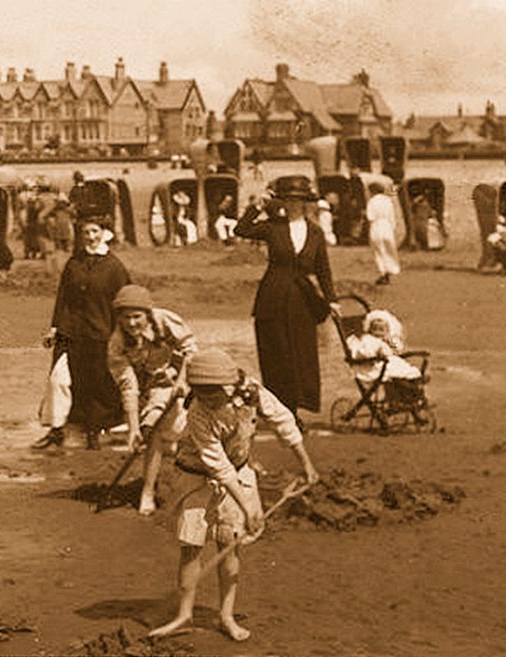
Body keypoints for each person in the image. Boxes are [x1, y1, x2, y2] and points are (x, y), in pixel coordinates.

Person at [148, 348, 319, 642]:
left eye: (213, 394)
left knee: (229, 544)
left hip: (240, 472)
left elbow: (283, 422)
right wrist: (248, 508)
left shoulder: (252, 392)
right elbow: (219, 466)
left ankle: (226, 615)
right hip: (195, 477)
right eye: (202, 393)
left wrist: (306, 464)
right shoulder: (197, 413)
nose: (209, 400)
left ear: (228, 384)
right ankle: (184, 615)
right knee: (191, 547)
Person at [234, 176, 339, 427]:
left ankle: (294, 411)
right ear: (282, 202)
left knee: (300, 356)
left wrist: (332, 299)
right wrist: (258, 206)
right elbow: (241, 229)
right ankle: (282, 411)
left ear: (306, 203)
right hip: (273, 298)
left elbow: (323, 269)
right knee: (276, 355)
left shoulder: (315, 231)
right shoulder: (273, 227)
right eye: (289, 200)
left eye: (298, 200)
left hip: (303, 301)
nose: (293, 205)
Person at [107, 284, 196, 515]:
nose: (132, 323)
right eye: (126, 318)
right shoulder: (117, 343)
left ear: (147, 313)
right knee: (152, 431)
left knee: (193, 433)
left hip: (186, 377)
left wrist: (182, 381)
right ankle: (147, 491)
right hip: (153, 386)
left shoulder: (165, 320)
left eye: (137, 317)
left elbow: (190, 349)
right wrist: (133, 429)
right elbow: (129, 387)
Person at [44, 217, 130, 448]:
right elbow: (63, 296)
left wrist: (120, 335)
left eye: (94, 232)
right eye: (86, 233)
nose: (90, 237)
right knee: (58, 379)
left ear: (104, 233)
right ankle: (56, 428)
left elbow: (124, 303)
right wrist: (54, 327)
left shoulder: (114, 267)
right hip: (70, 333)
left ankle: (94, 431)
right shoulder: (74, 263)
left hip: (100, 334)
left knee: (95, 384)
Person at [345, 309, 423, 386]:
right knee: (394, 371)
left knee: (403, 368)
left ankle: (413, 382)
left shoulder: (388, 339)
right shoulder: (368, 339)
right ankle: (409, 384)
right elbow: (363, 352)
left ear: (387, 329)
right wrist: (376, 352)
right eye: (375, 329)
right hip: (373, 366)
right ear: (369, 329)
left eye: (382, 329)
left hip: (390, 362)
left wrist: (390, 341)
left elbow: (398, 350)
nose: (378, 332)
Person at [366, 182, 400, 285]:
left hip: (376, 225)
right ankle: (391, 270)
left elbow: (370, 216)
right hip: (387, 226)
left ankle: (382, 272)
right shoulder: (388, 201)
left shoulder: (371, 201)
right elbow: (392, 217)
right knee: (389, 250)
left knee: (378, 251)